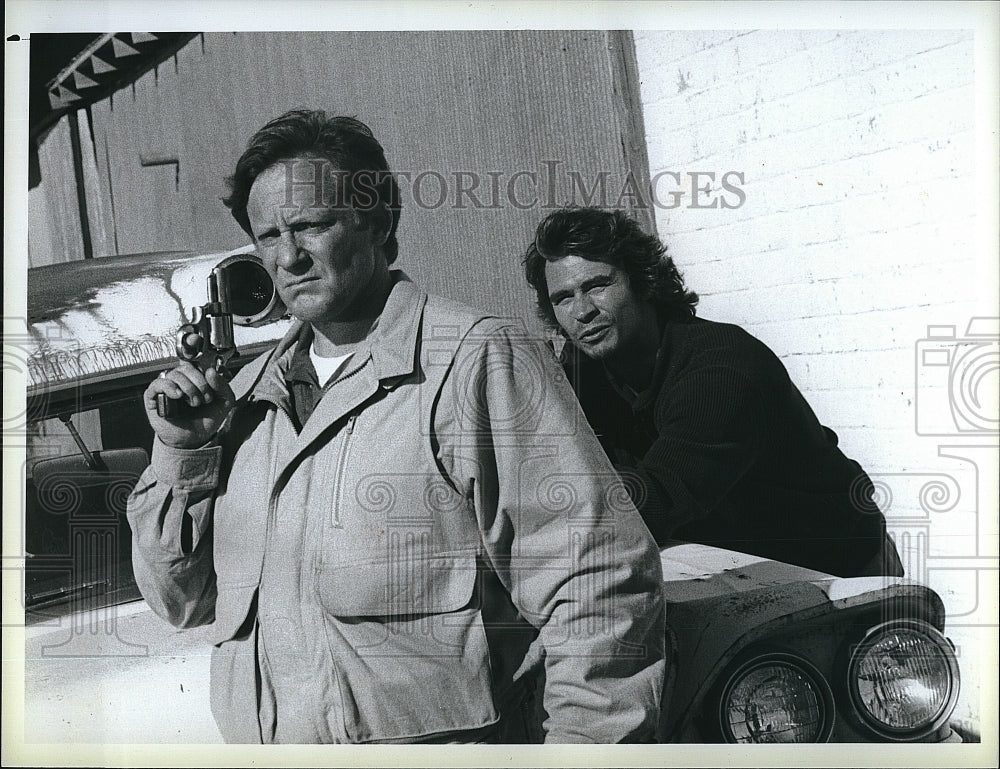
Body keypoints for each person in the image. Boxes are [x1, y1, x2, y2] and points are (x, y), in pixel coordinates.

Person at [127, 112, 666, 744]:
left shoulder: (474, 362)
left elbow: (599, 588)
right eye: (267, 236)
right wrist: (182, 456)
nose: (289, 256)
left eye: (311, 225)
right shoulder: (245, 403)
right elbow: (179, 602)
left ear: (378, 222)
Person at [523, 207, 904, 578]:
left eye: (597, 285)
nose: (582, 310)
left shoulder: (722, 369)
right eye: (563, 298)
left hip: (837, 571)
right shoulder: (588, 369)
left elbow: (652, 506)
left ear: (642, 282)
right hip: (730, 566)